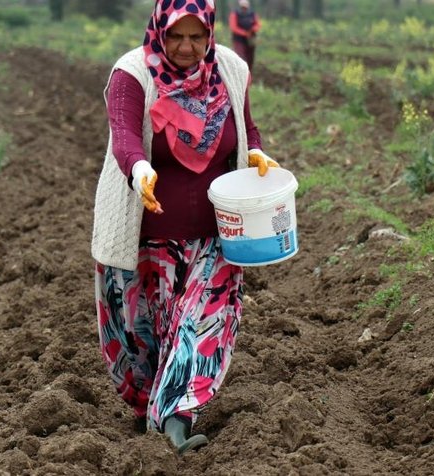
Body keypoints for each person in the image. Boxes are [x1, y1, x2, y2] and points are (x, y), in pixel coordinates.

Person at [92, 0, 279, 456]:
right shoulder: (133, 73)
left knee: (203, 326)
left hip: (216, 237)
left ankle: (177, 419)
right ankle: (152, 409)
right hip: (145, 241)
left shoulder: (229, 69)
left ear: (211, 32)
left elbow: (246, 129)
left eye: (197, 36)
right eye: (176, 35)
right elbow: (125, 136)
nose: (186, 47)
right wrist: (139, 171)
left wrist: (257, 154)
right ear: (159, 28)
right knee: (142, 344)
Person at [228, 0, 261, 70]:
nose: (244, 8)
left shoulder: (253, 14)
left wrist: (252, 30)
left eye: (245, 6)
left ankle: (249, 73)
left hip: (251, 39)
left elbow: (258, 25)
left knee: (250, 57)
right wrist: (244, 33)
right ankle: (241, 71)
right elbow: (233, 27)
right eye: (243, 6)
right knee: (241, 56)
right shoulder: (235, 14)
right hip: (238, 39)